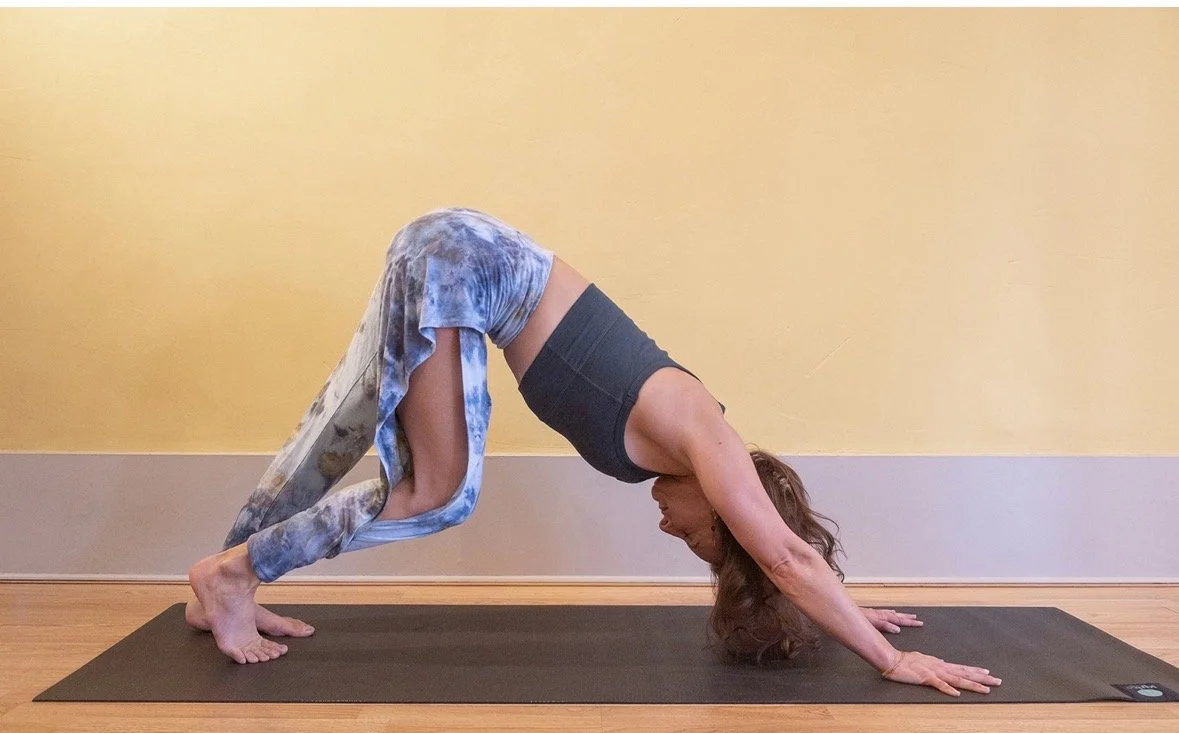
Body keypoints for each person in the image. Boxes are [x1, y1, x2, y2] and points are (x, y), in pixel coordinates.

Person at [186, 207, 1001, 698]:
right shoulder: (707, 437)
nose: (667, 530)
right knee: (441, 493)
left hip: (454, 252)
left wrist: (846, 608)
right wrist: (885, 657)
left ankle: (224, 574)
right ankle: (231, 578)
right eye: (694, 535)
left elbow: (781, 553)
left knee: (342, 427)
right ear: (728, 504)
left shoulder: (696, 443)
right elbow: (784, 554)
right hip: (463, 261)